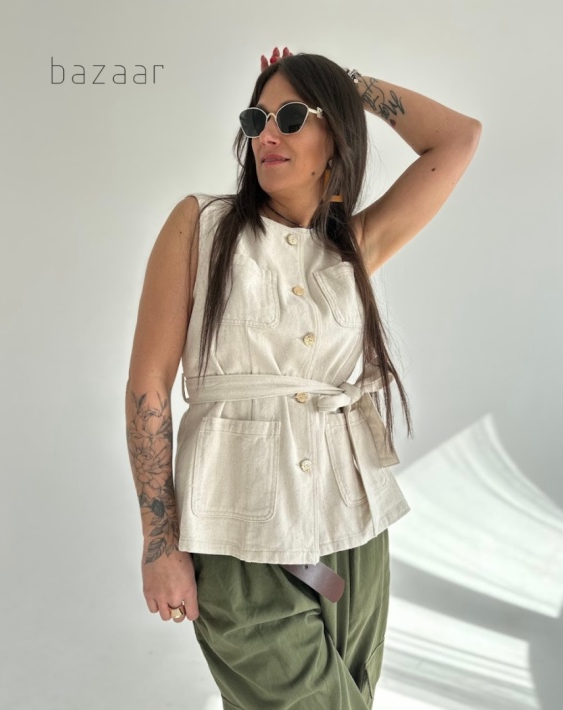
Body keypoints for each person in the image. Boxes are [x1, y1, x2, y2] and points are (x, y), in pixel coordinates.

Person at [125, 47, 482, 709]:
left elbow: (458, 139)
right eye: (255, 118)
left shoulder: (354, 246)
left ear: (335, 134)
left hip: (353, 534)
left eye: (290, 116)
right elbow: (149, 383)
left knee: (353, 697)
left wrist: (349, 84)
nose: (266, 134)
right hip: (236, 532)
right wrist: (159, 542)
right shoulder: (200, 225)